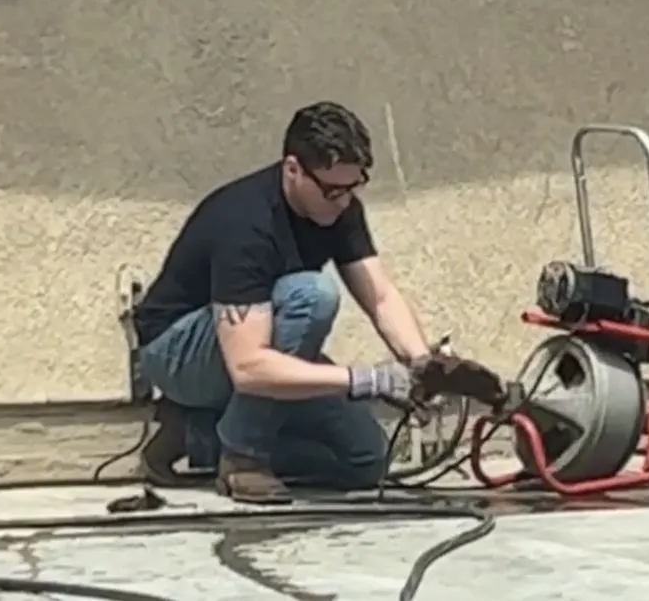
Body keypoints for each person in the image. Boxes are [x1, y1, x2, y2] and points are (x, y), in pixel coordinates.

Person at [134, 101, 434, 503]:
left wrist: (421, 364)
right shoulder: (246, 224)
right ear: (293, 169)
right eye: (332, 190)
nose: (344, 201)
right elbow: (248, 368)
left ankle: (194, 435)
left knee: (367, 460)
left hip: (258, 340)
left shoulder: (340, 209)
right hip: (178, 353)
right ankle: (244, 458)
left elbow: (380, 297)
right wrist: (367, 381)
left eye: (355, 187)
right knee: (313, 294)